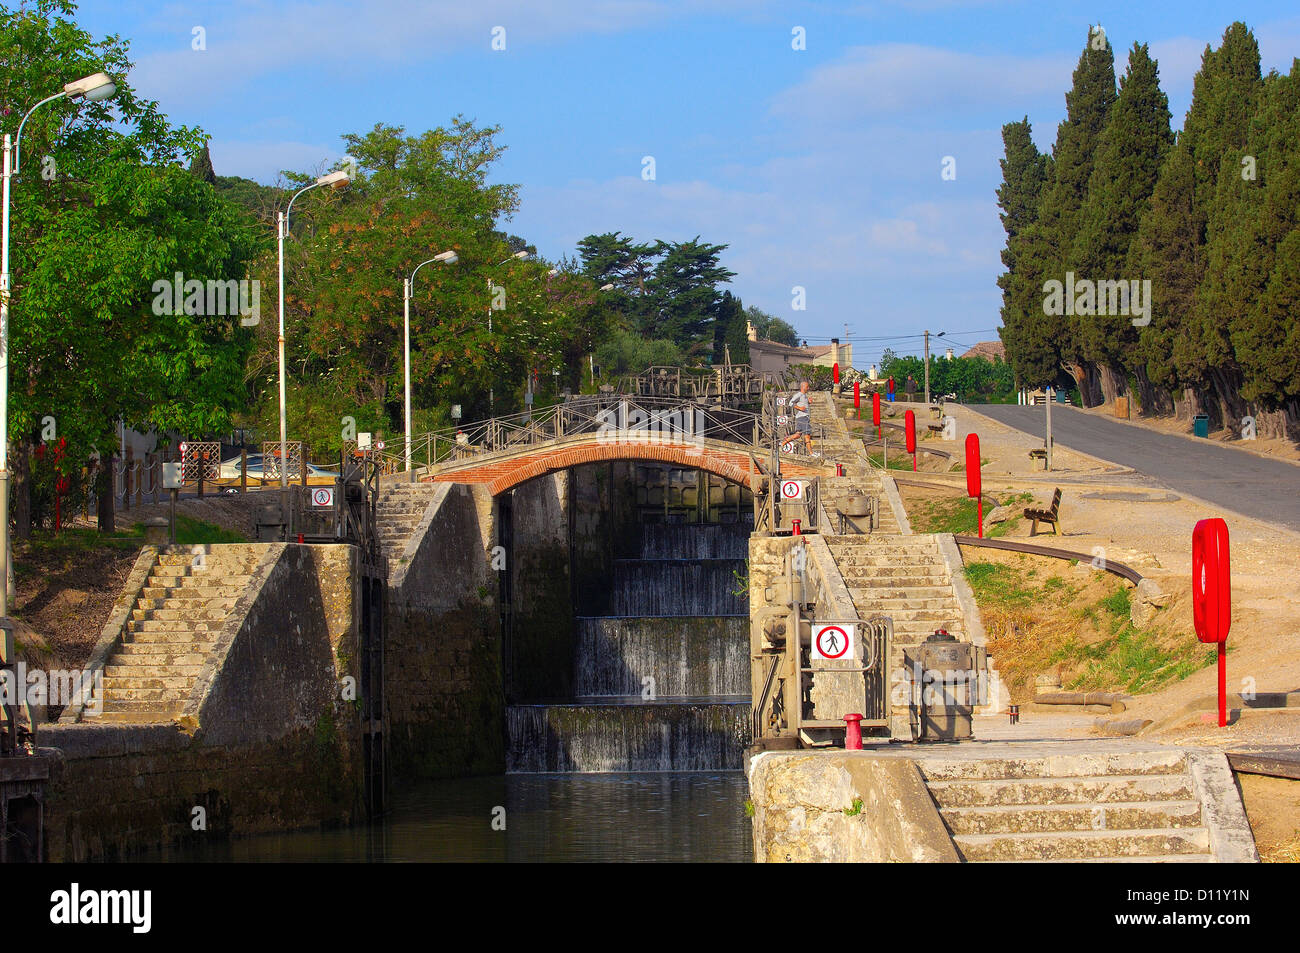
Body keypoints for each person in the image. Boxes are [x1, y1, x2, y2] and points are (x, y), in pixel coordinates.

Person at [790, 380, 817, 456]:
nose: (808, 388)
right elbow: (790, 403)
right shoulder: (799, 395)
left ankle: (782, 443)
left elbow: (803, 404)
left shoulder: (804, 396)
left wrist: (808, 402)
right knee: (807, 435)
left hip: (803, 417)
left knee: (798, 435)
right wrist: (799, 408)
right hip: (803, 418)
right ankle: (811, 453)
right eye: (807, 387)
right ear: (803, 387)